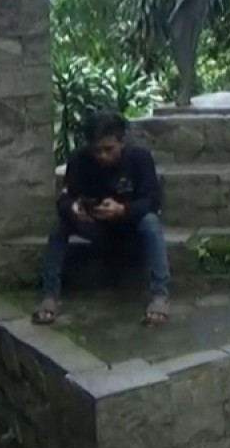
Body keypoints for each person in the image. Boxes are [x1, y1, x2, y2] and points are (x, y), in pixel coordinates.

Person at [33, 111, 170, 326]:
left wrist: (123, 209)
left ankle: (159, 296)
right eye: (97, 150)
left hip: (129, 226)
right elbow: (64, 198)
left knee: (151, 223)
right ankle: (50, 295)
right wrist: (73, 207)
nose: (102, 156)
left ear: (122, 142)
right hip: (95, 225)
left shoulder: (139, 158)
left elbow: (152, 201)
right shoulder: (79, 160)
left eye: (109, 149)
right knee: (59, 226)